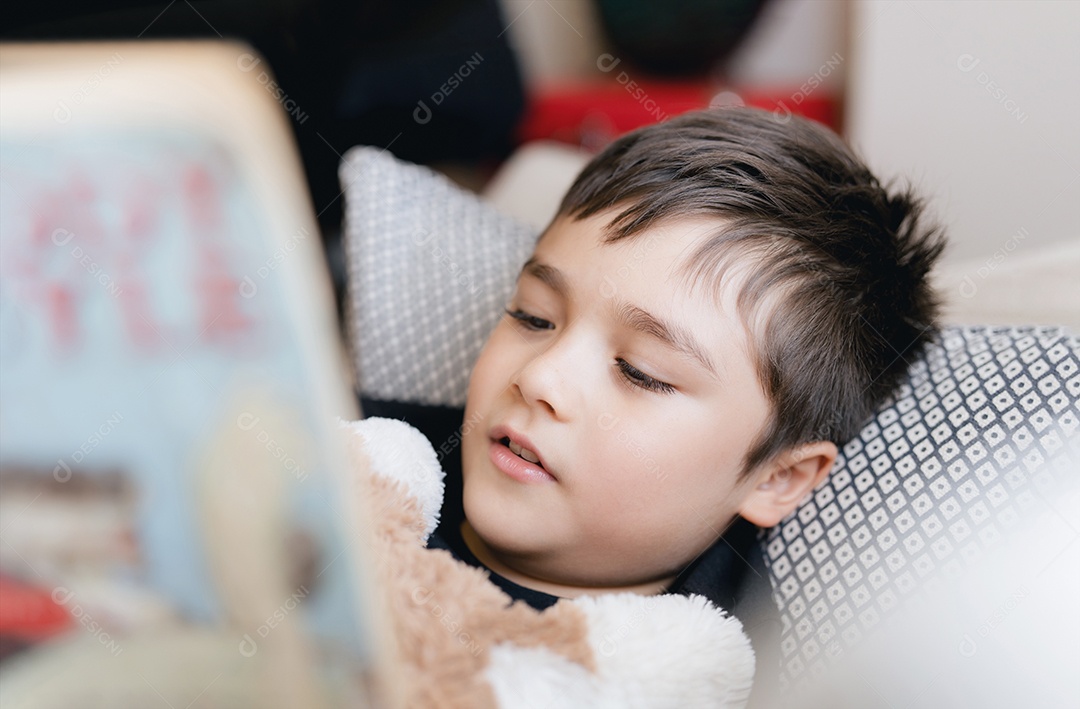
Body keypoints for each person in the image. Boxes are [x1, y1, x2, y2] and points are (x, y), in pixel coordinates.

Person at [427, 106, 944, 694]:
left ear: (777, 478)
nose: (540, 378)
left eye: (640, 372)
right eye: (533, 316)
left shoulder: (725, 673)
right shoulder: (361, 454)